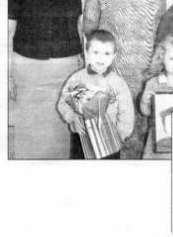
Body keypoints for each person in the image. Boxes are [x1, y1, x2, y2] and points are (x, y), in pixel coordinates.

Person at [83, 0, 166, 158]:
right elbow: (89, 31)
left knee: (138, 142)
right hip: (110, 79)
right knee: (109, 142)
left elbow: (161, 31)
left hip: (144, 79)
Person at [8, 0, 83, 159]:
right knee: (30, 126)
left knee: (62, 125)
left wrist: (82, 64)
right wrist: (7, 73)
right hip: (28, 66)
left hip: (66, 66)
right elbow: (8, 31)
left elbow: (78, 27)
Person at [57, 30, 134, 159]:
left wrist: (121, 134)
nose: (100, 58)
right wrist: (72, 118)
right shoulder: (78, 79)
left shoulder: (118, 83)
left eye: (106, 53)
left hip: (109, 139)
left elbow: (127, 113)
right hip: (81, 138)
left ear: (114, 56)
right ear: (87, 53)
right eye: (96, 52)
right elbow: (63, 103)